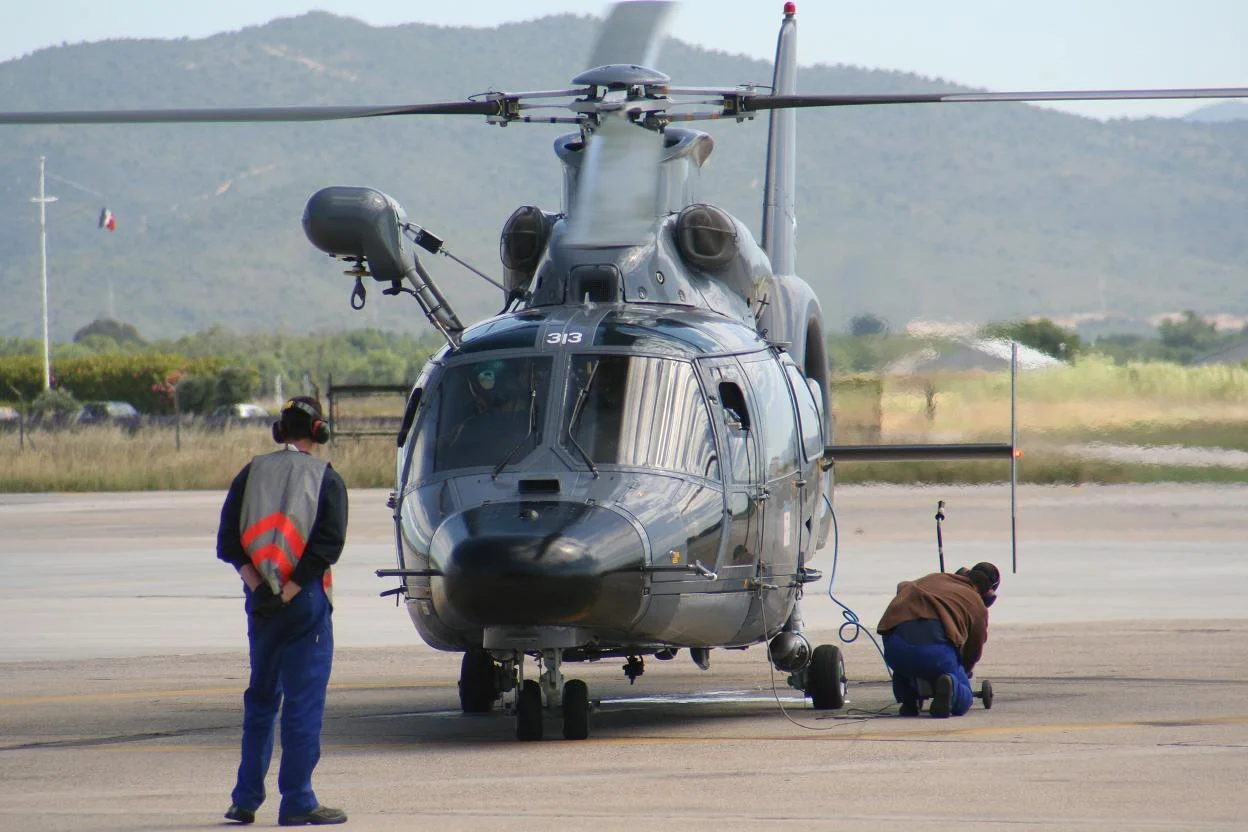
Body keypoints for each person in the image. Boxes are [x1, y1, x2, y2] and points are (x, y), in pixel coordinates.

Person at [217, 396, 349, 826]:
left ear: (279, 430)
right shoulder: (326, 478)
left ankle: (245, 800)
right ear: (318, 432)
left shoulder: (249, 473)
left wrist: (260, 591)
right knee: (302, 704)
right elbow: (326, 548)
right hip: (304, 601)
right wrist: (289, 592)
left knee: (260, 700)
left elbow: (228, 543)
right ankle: (297, 800)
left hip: (261, 605)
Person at [876, 562, 1000, 718]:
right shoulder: (977, 604)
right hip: (935, 655)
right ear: (988, 595)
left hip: (896, 650)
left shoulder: (932, 578)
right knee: (964, 695)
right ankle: (951, 687)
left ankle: (909, 700)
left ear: (963, 574)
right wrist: (963, 670)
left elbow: (902, 587)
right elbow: (973, 650)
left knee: (904, 667)